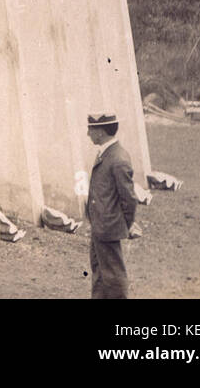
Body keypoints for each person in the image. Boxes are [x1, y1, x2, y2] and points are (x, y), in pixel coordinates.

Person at [85, 112, 142, 298]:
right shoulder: (107, 153)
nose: (88, 134)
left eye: (90, 129)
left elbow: (129, 198)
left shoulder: (118, 158)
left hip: (108, 227)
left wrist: (124, 224)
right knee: (100, 272)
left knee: (114, 276)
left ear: (100, 132)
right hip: (101, 225)